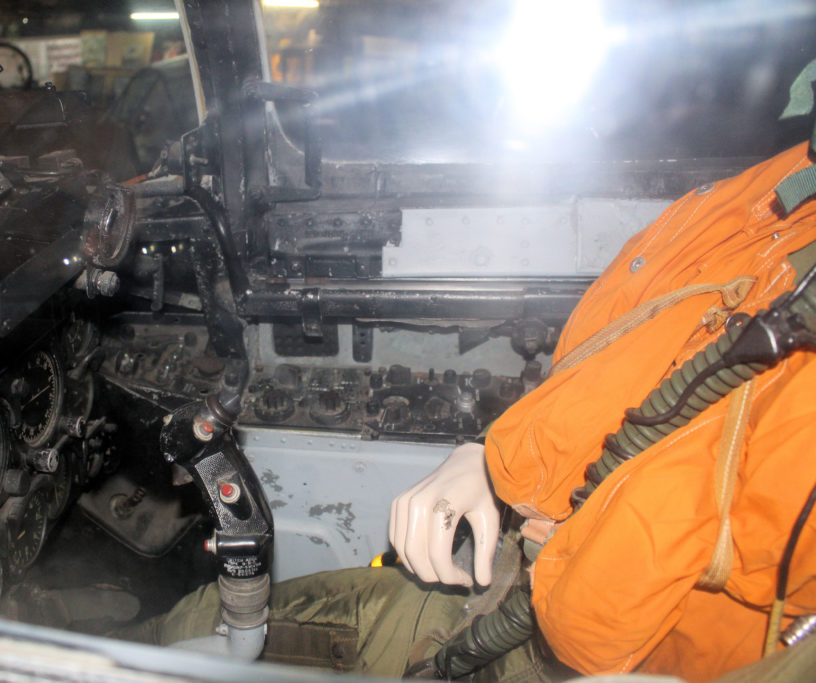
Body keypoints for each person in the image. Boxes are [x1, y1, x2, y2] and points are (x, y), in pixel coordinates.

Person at [126, 119, 816, 682]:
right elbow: (640, 368)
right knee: (190, 629)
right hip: (521, 590)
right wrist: (497, 462)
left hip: (596, 655)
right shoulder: (775, 199)